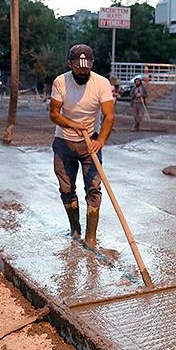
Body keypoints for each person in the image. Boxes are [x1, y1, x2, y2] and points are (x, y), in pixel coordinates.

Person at [48, 44, 115, 249]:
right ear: (70, 64)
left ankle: (90, 237)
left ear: (92, 65)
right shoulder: (61, 82)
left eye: (86, 68)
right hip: (64, 142)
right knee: (66, 189)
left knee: (93, 188)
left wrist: (100, 141)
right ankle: (75, 229)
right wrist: (73, 125)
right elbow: (54, 114)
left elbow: (109, 116)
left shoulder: (101, 83)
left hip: (91, 143)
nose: (82, 72)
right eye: (78, 68)